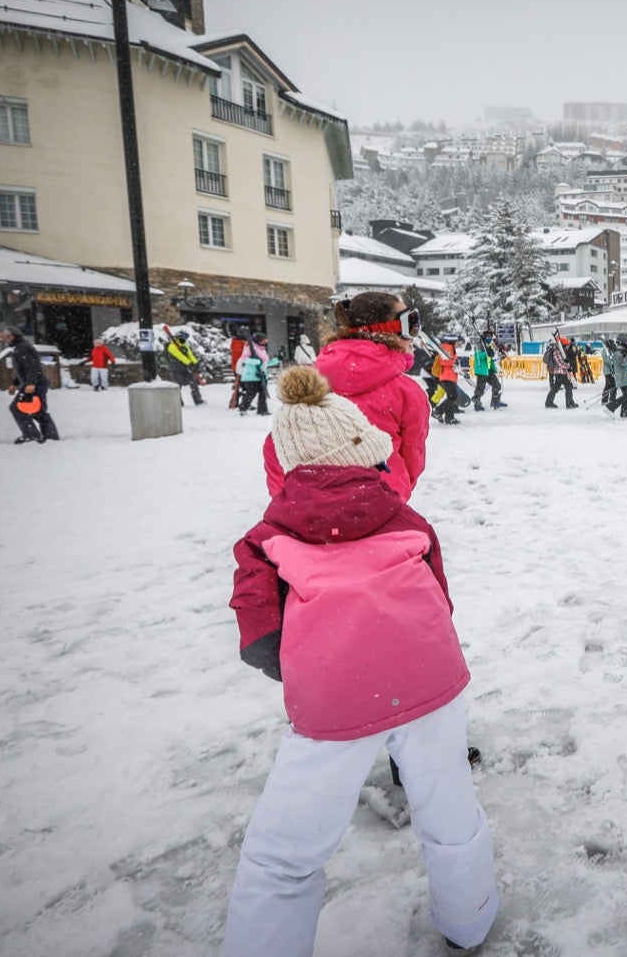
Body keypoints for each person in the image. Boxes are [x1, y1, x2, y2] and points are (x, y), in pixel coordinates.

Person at [224, 366, 498, 955]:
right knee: (449, 807)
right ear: (365, 451)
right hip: (431, 681)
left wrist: (304, 663)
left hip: (334, 698)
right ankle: (468, 921)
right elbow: (439, 598)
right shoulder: (406, 518)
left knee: (286, 852)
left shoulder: (268, 536)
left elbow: (257, 632)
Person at [264, 291, 429, 503]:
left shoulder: (307, 385)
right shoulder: (407, 393)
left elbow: (277, 447)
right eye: (410, 324)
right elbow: (413, 458)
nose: (413, 337)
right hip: (380, 506)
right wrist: (397, 489)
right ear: (387, 331)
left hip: (309, 509)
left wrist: (288, 500)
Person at [0, 325, 59, 444]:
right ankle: (50, 437)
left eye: (3, 338)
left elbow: (32, 367)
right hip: (33, 383)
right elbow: (23, 369)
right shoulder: (20, 347)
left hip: (34, 384)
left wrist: (31, 383)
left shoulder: (22, 347)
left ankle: (31, 435)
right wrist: (15, 384)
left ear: (11, 336)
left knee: (17, 408)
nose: (2, 340)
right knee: (38, 411)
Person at [236, 336, 276, 416]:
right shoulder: (250, 348)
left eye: (265, 341)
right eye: (262, 341)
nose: (264, 342)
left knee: (263, 393)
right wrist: (255, 361)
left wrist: (277, 360)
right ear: (258, 341)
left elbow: (264, 362)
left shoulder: (262, 350)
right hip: (250, 375)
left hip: (260, 375)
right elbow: (244, 359)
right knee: (251, 392)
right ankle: (243, 408)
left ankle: (262, 410)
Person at [432, 334, 466, 425]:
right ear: (453, 341)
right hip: (447, 377)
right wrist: (454, 361)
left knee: (451, 397)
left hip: (449, 377)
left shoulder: (449, 348)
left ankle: (449, 418)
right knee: (453, 396)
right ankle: (438, 411)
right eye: (457, 342)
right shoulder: (447, 348)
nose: (458, 344)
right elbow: (443, 361)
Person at [164, 329, 204, 406]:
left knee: (193, 383)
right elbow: (180, 356)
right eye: (183, 338)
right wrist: (189, 363)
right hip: (176, 369)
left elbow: (190, 355)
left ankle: (198, 400)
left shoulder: (185, 346)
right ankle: (178, 402)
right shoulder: (171, 347)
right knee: (178, 387)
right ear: (179, 338)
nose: (184, 340)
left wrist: (195, 363)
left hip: (185, 369)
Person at [601, 337, 627, 418]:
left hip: (624, 376)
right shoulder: (618, 352)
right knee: (626, 395)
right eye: (626, 343)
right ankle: (610, 407)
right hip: (621, 377)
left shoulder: (621, 351)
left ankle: (625, 412)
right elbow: (622, 362)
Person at [543, 335, 577, 409]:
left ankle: (548, 402)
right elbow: (560, 363)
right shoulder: (556, 352)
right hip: (560, 373)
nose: (566, 347)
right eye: (565, 346)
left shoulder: (560, 351)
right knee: (568, 387)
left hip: (560, 372)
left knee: (555, 388)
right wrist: (568, 365)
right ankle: (569, 403)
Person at [470, 340, 504, 411]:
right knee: (480, 388)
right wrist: (487, 354)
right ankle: (477, 402)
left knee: (497, 385)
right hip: (482, 370)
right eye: (488, 335)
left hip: (489, 370)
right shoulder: (479, 345)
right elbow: (477, 356)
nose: (490, 337)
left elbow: (490, 358)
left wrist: (496, 357)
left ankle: (495, 401)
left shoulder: (489, 345)